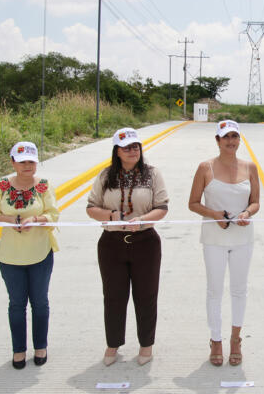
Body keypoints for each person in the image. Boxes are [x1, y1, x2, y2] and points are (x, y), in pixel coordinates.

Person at [86, 127, 169, 366]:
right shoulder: (105, 176)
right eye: (126, 147)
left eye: (136, 146)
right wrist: (112, 215)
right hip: (112, 244)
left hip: (145, 243)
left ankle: (146, 345)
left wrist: (143, 219)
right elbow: (91, 207)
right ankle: (113, 344)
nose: (133, 151)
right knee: (113, 296)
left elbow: (162, 207)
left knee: (146, 296)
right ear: (117, 151)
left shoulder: (152, 174)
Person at [188, 120, 260, 367]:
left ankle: (236, 339)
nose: (231, 141)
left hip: (242, 238)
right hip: (214, 239)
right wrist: (214, 214)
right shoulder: (205, 167)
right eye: (225, 137)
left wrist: (247, 214)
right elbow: (193, 203)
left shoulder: (250, 167)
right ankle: (216, 340)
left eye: (234, 136)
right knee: (214, 291)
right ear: (217, 141)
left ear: (239, 140)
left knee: (239, 289)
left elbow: (256, 202)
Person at [0, 141, 59, 369]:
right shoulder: (2, 186)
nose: (27, 165)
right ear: (13, 163)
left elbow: (53, 214)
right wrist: (12, 221)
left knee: (40, 302)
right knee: (16, 304)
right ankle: (18, 349)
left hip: (40, 253)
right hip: (10, 257)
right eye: (22, 161)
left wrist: (35, 220)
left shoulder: (44, 185)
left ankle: (41, 346)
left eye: (31, 161)